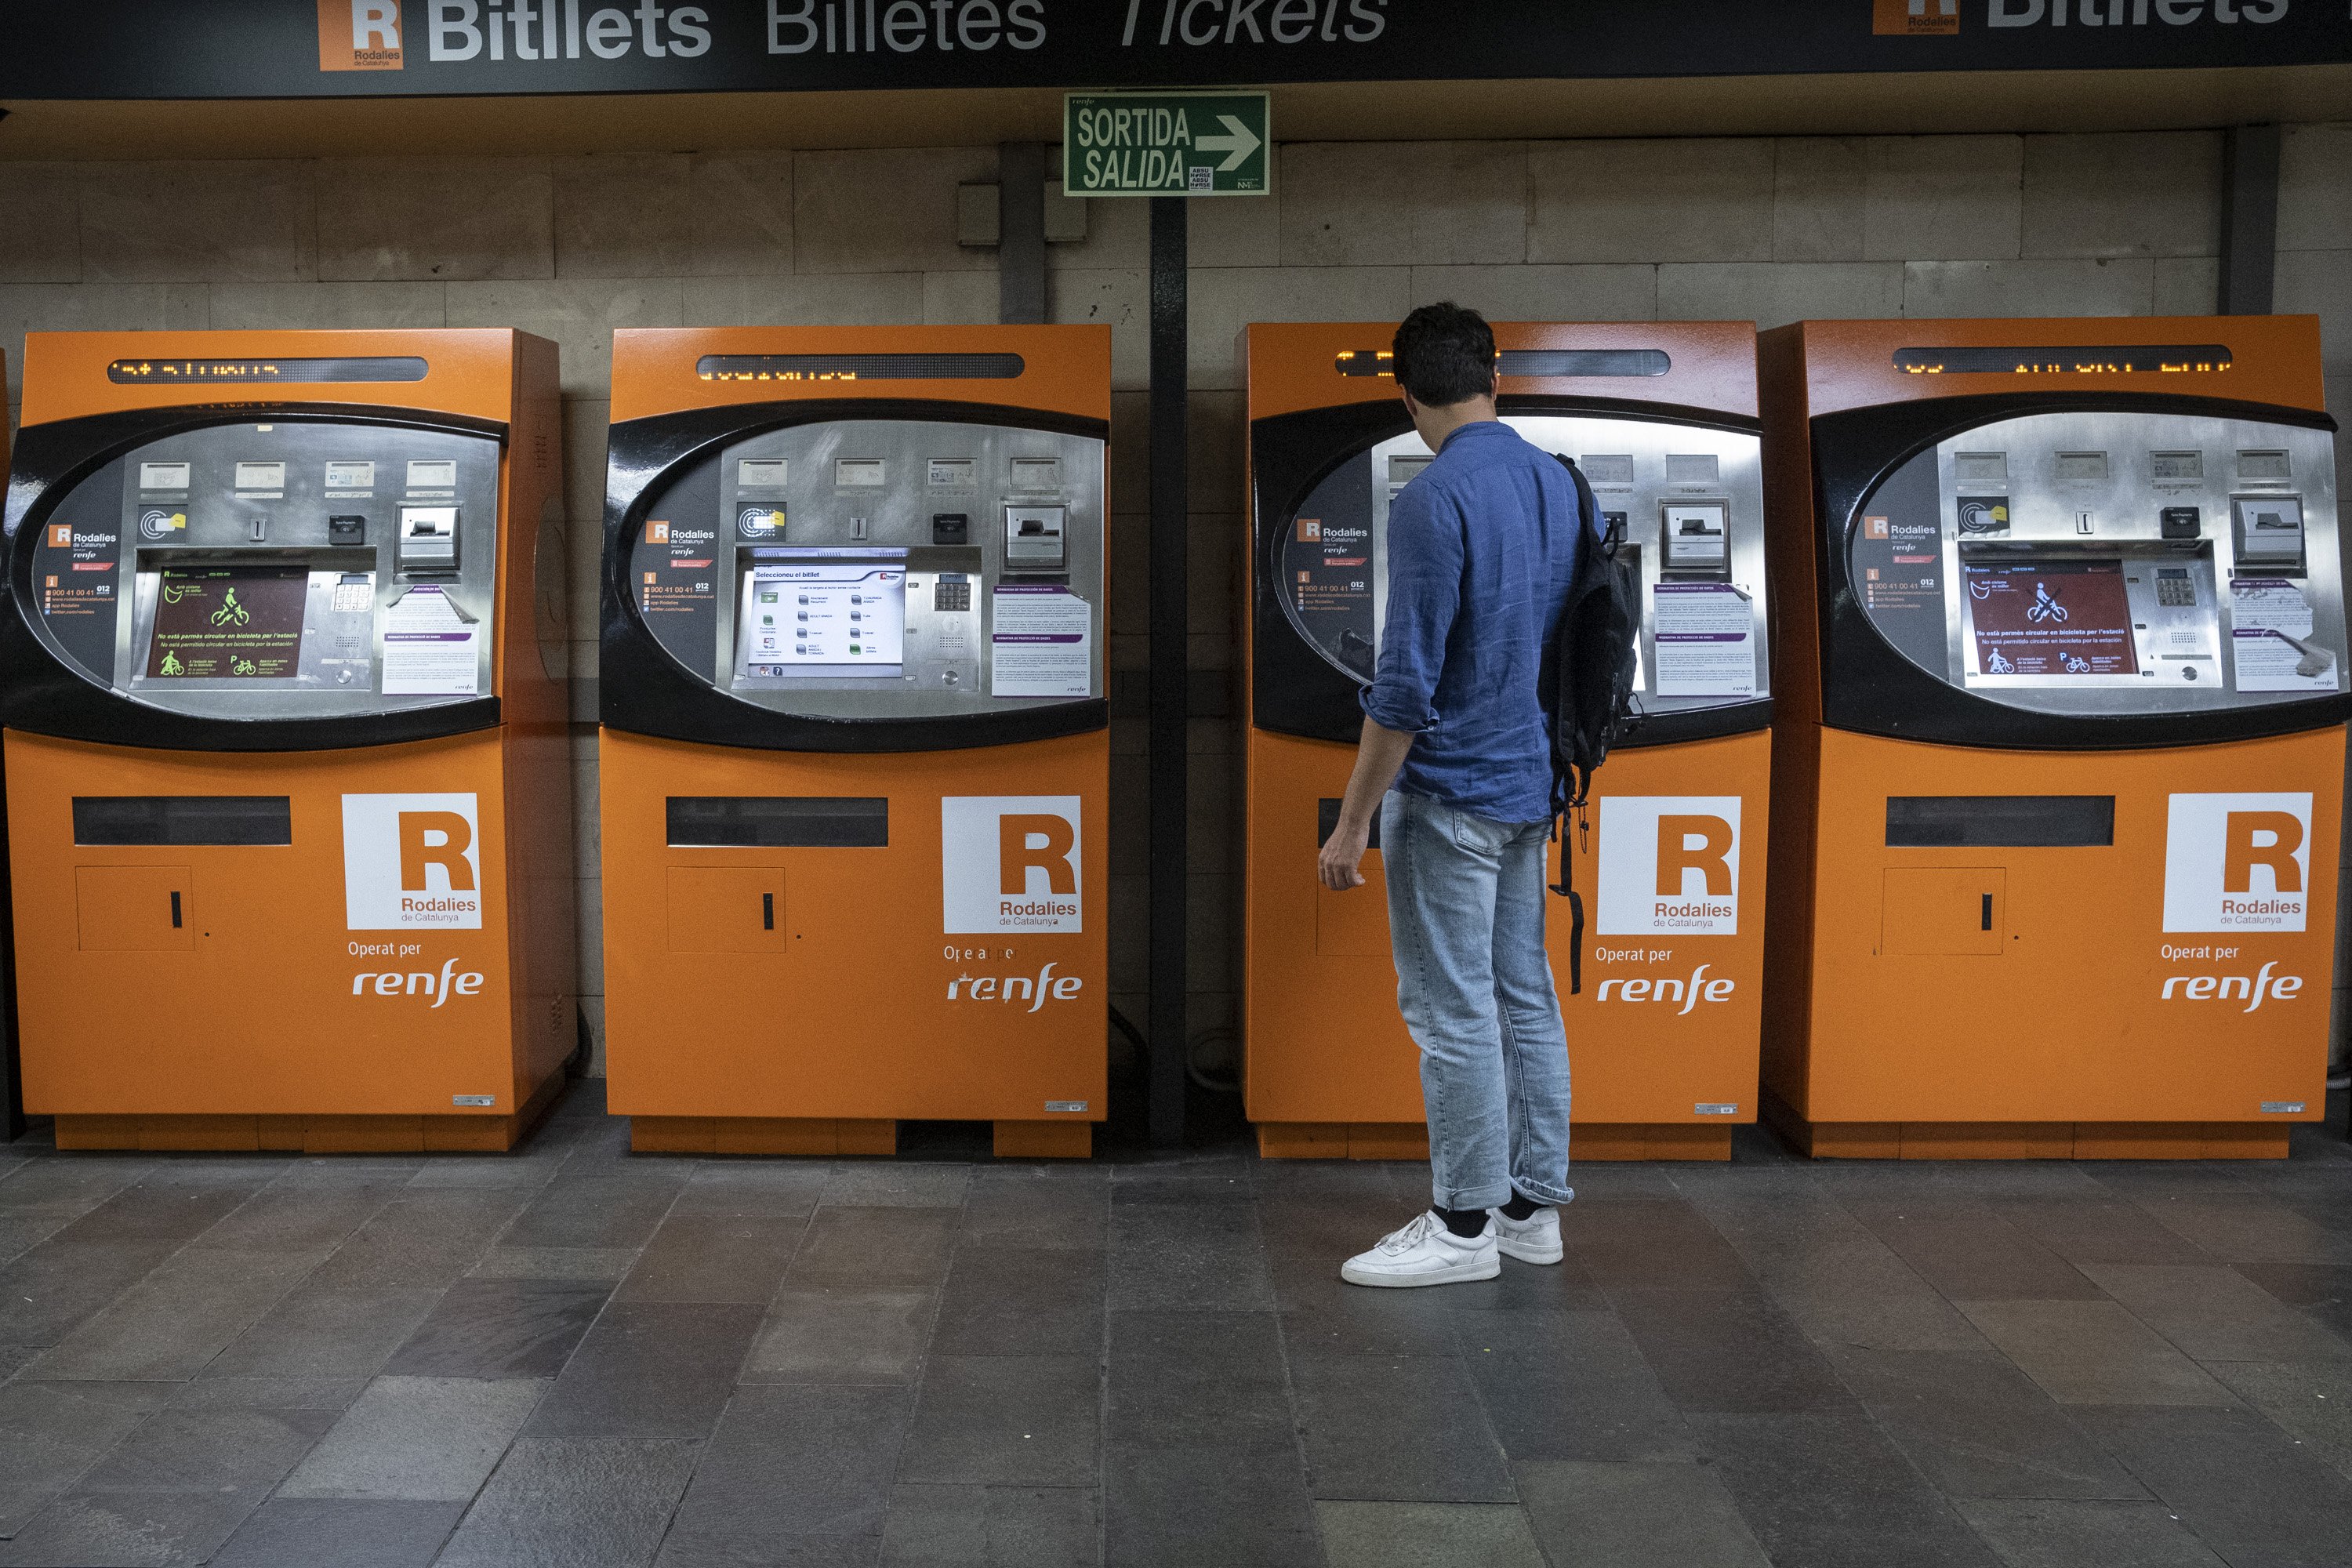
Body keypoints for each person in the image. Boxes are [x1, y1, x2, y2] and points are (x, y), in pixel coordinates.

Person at [1316, 303, 1584, 1289]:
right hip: (1530, 785)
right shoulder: (1558, 483)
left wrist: (1350, 825)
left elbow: (1404, 689)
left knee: (1451, 1011)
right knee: (1524, 996)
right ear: (1495, 377)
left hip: (1450, 793)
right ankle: (1530, 1211)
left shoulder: (1432, 501)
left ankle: (1462, 1223)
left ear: (1407, 395)